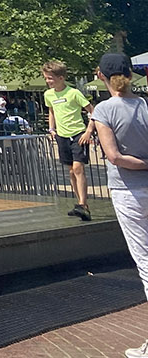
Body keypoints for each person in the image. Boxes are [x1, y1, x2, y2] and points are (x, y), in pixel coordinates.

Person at [86, 53, 148, 358]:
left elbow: (114, 156)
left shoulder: (104, 110)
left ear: (101, 76)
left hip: (128, 192)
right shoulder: (147, 105)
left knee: (146, 263)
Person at [43, 60, 94, 221]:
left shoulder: (74, 93)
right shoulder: (48, 94)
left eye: (50, 78)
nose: (47, 81)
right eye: (46, 78)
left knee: (79, 168)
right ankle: (80, 204)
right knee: (71, 171)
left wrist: (88, 131)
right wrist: (52, 129)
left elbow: (92, 111)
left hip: (78, 134)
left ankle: (82, 203)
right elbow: (51, 111)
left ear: (61, 78)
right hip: (62, 136)